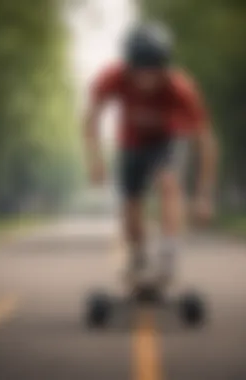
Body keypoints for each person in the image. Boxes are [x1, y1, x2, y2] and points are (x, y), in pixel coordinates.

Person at [83, 21, 218, 285]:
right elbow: (92, 117)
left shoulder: (181, 88)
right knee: (131, 203)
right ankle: (138, 256)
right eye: (139, 69)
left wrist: (204, 195)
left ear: (164, 66)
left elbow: (206, 141)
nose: (146, 78)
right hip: (131, 143)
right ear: (129, 65)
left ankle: (168, 255)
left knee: (169, 183)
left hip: (167, 140)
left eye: (153, 68)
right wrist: (95, 160)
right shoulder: (113, 77)